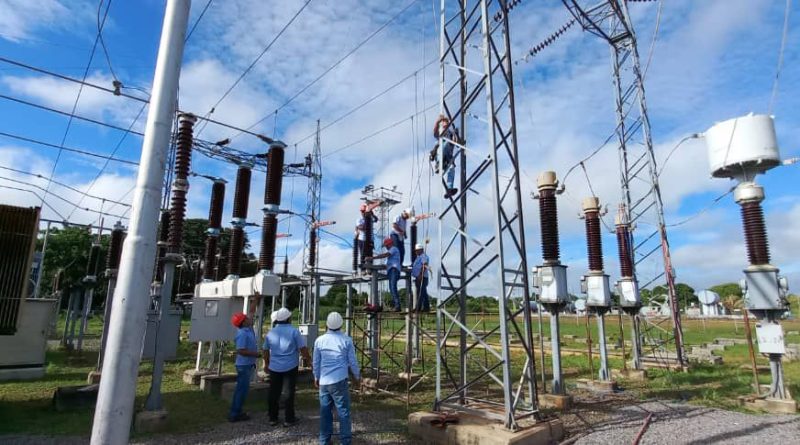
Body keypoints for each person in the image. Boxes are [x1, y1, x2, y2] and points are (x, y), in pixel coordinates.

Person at [314, 312, 361, 445]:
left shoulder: (319, 340)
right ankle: (345, 441)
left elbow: (316, 362)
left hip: (324, 381)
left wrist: (316, 376)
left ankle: (324, 441)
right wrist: (357, 376)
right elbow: (352, 362)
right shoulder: (346, 340)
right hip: (340, 380)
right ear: (341, 324)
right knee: (343, 412)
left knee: (325, 412)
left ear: (327, 324)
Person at [263, 307, 311, 427]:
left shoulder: (271, 332)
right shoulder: (294, 331)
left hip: (274, 367)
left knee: (274, 392)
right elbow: (303, 348)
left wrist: (267, 363)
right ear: (288, 318)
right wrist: (309, 360)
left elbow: (265, 350)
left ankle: (273, 418)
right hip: (290, 366)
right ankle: (289, 419)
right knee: (289, 392)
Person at [229, 312, 259, 422]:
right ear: (243, 322)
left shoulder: (248, 329)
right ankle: (235, 414)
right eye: (246, 318)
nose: (248, 318)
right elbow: (241, 350)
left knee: (242, 390)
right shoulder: (242, 334)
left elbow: (251, 314)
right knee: (241, 390)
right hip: (243, 366)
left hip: (246, 365)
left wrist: (255, 302)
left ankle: (237, 411)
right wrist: (256, 354)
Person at [366, 237, 402, 311]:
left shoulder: (394, 249)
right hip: (391, 270)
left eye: (386, 245)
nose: (386, 247)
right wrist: (383, 266)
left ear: (390, 244)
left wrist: (372, 258)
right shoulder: (391, 256)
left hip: (394, 270)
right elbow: (386, 263)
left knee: (393, 288)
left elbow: (385, 255)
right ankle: (396, 305)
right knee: (391, 288)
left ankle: (397, 306)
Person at [432, 114, 459, 199]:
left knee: (452, 168)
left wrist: (455, 134)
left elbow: (455, 143)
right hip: (441, 152)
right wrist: (438, 121)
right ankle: (438, 164)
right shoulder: (441, 132)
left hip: (448, 155)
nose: (445, 123)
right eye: (443, 122)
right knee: (445, 144)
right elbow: (435, 133)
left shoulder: (450, 133)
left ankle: (449, 188)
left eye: (446, 122)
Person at [411, 244, 430, 312]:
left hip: (422, 277)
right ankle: (426, 307)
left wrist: (420, 274)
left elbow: (424, 265)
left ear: (421, 250)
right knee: (423, 292)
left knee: (420, 293)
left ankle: (418, 308)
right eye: (416, 250)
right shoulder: (418, 257)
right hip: (419, 277)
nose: (416, 252)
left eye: (417, 250)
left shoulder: (423, 256)